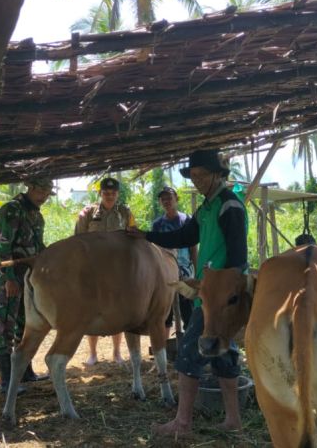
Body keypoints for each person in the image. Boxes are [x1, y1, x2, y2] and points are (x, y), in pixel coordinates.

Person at [128, 149, 248, 436]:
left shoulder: (229, 205)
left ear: (217, 174)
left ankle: (182, 424)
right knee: (222, 353)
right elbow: (184, 236)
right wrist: (147, 235)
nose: (197, 180)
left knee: (189, 352)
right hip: (212, 293)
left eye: (202, 175)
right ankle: (233, 420)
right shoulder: (207, 208)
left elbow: (238, 256)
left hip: (217, 298)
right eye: (193, 176)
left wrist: (221, 292)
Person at [0, 177, 53, 394]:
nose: (44, 197)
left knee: (25, 325)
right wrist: (8, 278)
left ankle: (25, 372)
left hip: (29, 277)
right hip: (10, 277)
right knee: (5, 326)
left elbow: (38, 246)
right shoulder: (11, 210)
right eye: (42, 192)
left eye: (48, 194)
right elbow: (3, 248)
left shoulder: (36, 214)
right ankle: (7, 381)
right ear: (31, 188)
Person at [75, 176, 136, 365]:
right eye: (106, 193)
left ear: (117, 194)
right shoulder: (87, 213)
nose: (109, 196)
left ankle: (117, 353)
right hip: (93, 270)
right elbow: (77, 240)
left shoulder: (125, 212)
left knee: (118, 310)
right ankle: (92, 354)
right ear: (100, 193)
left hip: (118, 271)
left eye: (113, 193)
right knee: (90, 311)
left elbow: (134, 237)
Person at [151, 186, 197, 331]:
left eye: (169, 198)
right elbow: (155, 249)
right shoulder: (157, 224)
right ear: (160, 202)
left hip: (185, 271)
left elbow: (193, 247)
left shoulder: (186, 220)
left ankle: (190, 341)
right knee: (165, 313)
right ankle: (165, 343)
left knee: (188, 310)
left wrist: (196, 270)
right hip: (165, 272)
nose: (166, 201)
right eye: (163, 199)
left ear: (176, 199)